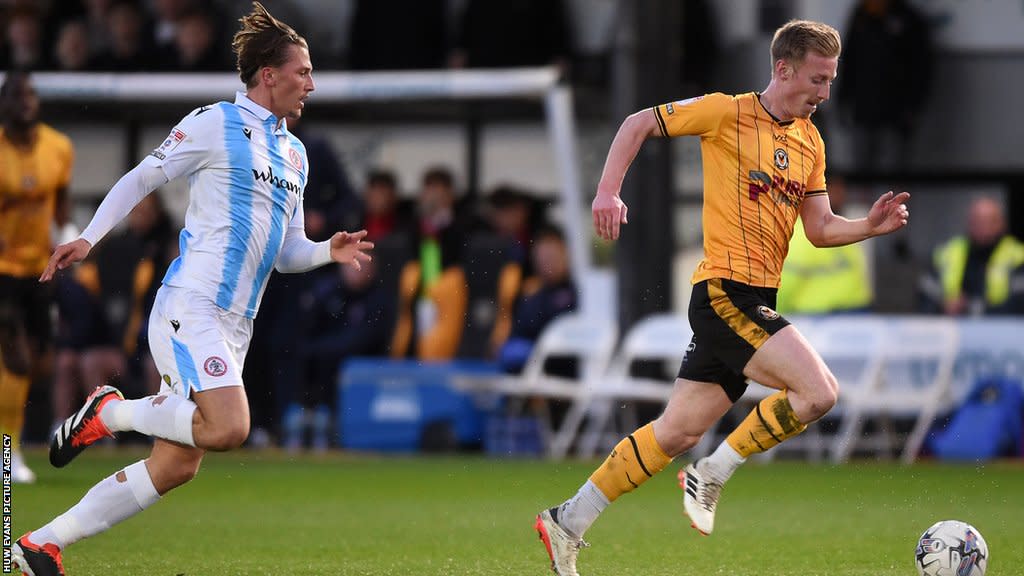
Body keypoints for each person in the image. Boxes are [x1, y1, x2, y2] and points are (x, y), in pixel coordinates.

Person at [535, 20, 911, 575]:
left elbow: (821, 228)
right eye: (817, 78)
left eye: (831, 80)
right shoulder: (725, 112)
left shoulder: (810, 141)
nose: (825, 92)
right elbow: (639, 122)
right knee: (818, 393)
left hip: (752, 298)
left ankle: (568, 519)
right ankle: (712, 472)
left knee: (677, 430)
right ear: (783, 69)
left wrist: (869, 227)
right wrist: (607, 190)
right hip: (724, 293)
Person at [13, 4, 372, 575]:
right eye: (302, 71)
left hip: (235, 325)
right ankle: (111, 413)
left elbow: (286, 255)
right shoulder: (214, 123)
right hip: (191, 304)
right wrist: (88, 237)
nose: (311, 83)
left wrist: (329, 250)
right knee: (231, 427)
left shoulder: (295, 154)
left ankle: (38, 544)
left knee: (177, 465)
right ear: (268, 74)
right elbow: (144, 176)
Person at [0, 69, 74, 485]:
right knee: (16, 358)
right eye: (15, 95)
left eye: (29, 94)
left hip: (39, 269)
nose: (24, 102)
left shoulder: (58, 147)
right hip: (2, 270)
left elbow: (60, 199)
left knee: (41, 363)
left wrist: (66, 242)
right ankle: (8, 452)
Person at [776, 174, 873, 314]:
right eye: (832, 190)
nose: (840, 195)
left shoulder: (841, 225)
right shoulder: (800, 231)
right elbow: (788, 282)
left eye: (842, 189)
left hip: (849, 311)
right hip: (820, 315)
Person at [919, 196, 1024, 316]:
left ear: (1001, 223)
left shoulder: (1018, 256)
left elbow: (1019, 305)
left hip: (1004, 331)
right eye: (976, 221)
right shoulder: (948, 252)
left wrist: (973, 308)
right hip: (953, 328)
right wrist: (944, 306)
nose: (981, 227)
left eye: (988, 221)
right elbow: (925, 297)